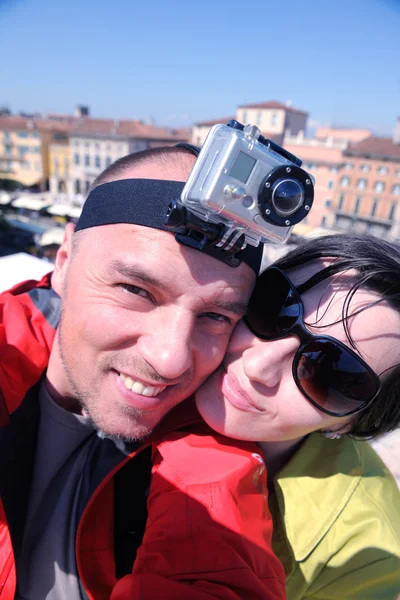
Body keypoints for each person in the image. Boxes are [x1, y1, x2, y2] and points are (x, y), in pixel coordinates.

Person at [0, 145, 286, 599]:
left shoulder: (211, 439)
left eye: (215, 317)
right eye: (136, 290)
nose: (172, 360)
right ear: (64, 264)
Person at [187, 233, 400, 599]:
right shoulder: (152, 370)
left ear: (351, 422)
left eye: (331, 373)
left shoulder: (364, 558)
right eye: (275, 308)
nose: (257, 365)